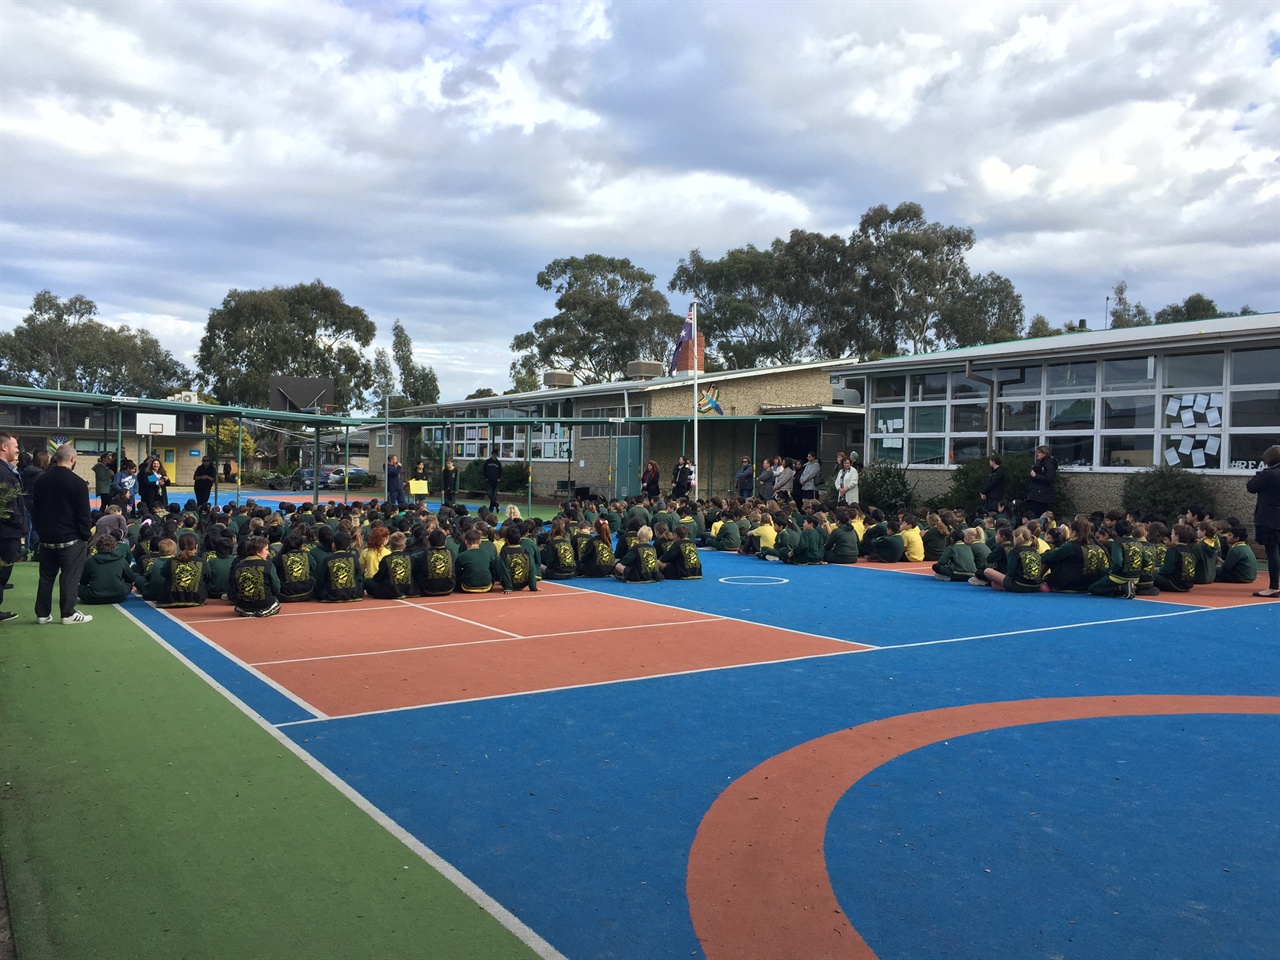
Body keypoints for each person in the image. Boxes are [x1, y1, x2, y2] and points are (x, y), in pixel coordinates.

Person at [31, 443, 94, 624]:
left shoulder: (41, 481)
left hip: (47, 538)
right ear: (73, 459)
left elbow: (36, 510)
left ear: (56, 458)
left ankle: (42, 613)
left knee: (46, 576)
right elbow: (83, 516)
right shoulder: (78, 483)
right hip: (70, 539)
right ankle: (68, 613)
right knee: (69, 576)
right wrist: (84, 536)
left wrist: (40, 531)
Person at [0, 433, 28, 624]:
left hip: (9, 529)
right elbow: (8, 502)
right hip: (6, 531)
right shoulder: (3, 472)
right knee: (2, 571)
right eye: (15, 446)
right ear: (4, 447)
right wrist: (19, 524)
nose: (18, 450)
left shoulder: (8, 471)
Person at [1246, 444, 1280, 598]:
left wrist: (1260, 474)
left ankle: (1273, 587)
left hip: (1269, 518)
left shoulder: (1268, 474)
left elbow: (1251, 487)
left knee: (1272, 552)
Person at [228, 535, 281, 617]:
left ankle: (246, 611)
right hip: (264, 603)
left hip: (243, 604)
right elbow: (276, 587)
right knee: (276, 604)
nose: (268, 552)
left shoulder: (238, 566)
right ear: (258, 552)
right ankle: (263, 611)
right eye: (266, 550)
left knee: (240, 606)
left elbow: (235, 587)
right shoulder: (268, 565)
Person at [1026, 445, 1056, 518]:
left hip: (1042, 495)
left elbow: (1049, 478)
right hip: (1036, 494)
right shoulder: (1039, 463)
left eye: (1039, 452)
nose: (1037, 454)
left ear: (1045, 453)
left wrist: (1036, 476)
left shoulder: (1049, 464)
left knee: (1039, 514)